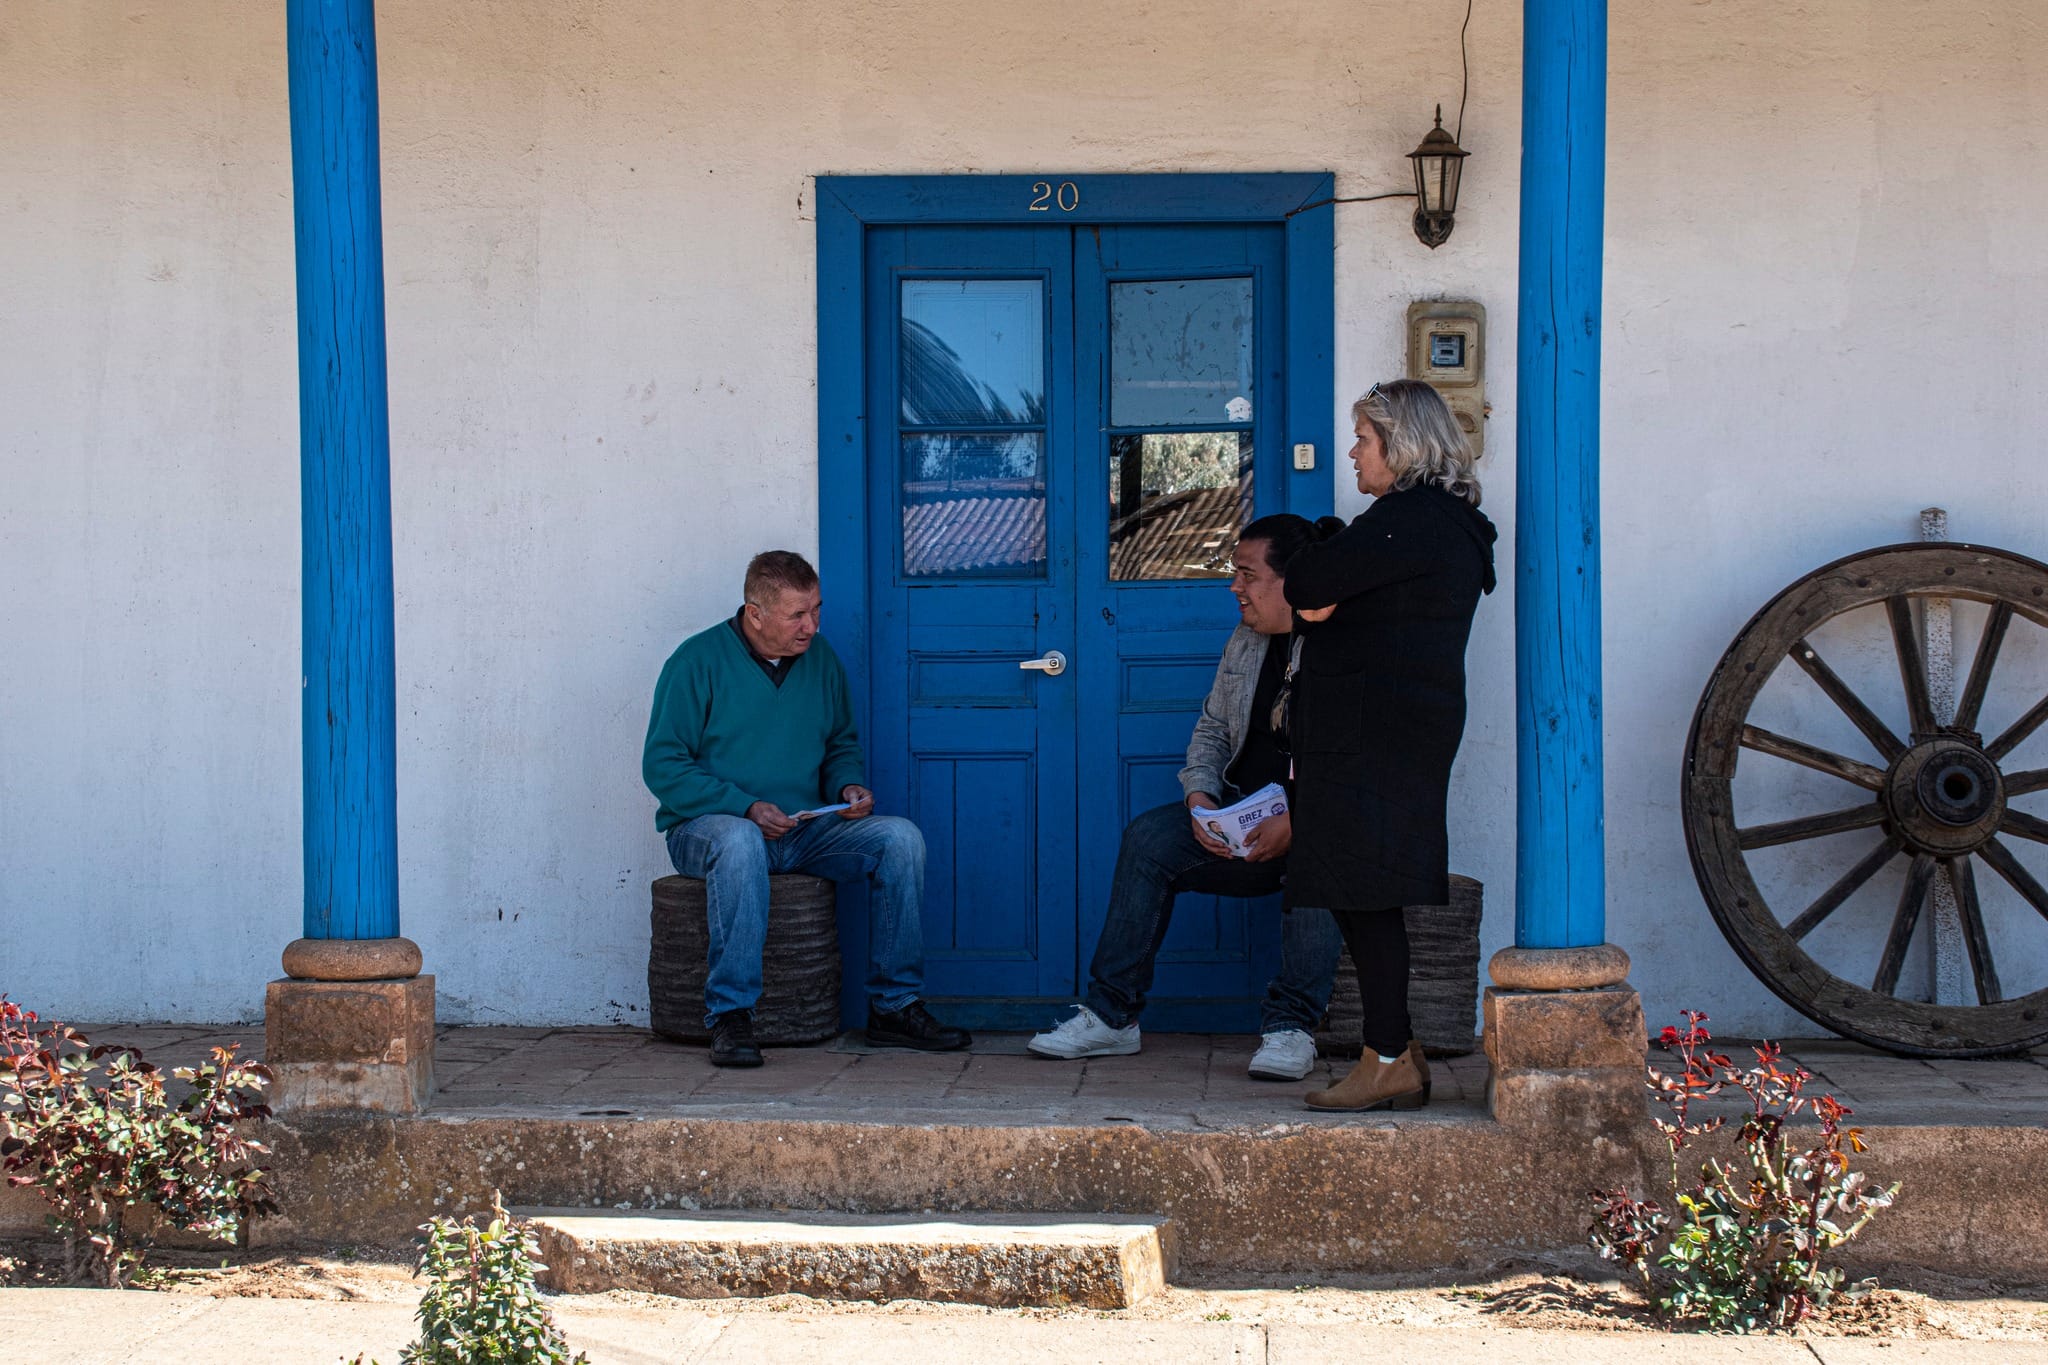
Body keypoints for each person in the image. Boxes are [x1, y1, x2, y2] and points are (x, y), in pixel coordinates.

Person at [1028, 515, 1346, 1081]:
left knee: (1326, 849)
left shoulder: (1342, 646)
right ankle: (1112, 1016)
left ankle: (1292, 1027)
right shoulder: (1247, 640)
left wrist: (1299, 820)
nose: (1234, 587)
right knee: (1149, 839)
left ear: (1293, 579)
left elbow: (1356, 761)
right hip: (1243, 821)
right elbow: (1213, 729)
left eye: (1247, 575)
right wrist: (1201, 800)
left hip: (1315, 824)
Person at [642, 550, 970, 1067]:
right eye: (797, 614)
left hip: (802, 829)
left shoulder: (821, 659)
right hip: (707, 830)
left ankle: (894, 1005)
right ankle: (730, 1015)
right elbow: (663, 765)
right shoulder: (695, 662)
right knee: (739, 840)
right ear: (755, 614)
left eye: (816, 610)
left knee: (900, 839)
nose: (811, 626)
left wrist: (847, 786)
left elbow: (840, 742)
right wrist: (744, 806)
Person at [1282, 379, 1496, 1112]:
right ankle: (1396, 1050)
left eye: (1364, 438)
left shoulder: (1407, 519)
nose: (1352, 452)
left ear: (1401, 445)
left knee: (1366, 892)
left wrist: (1323, 578)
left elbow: (1304, 582)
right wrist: (1325, 593)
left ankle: (1385, 1056)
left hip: (1371, 733)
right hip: (1391, 728)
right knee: (1360, 889)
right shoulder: (1441, 523)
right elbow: (1315, 599)